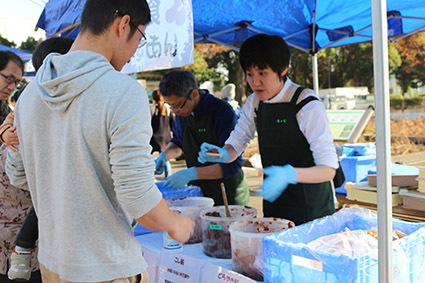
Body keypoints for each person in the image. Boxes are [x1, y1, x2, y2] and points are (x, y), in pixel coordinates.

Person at [6, 1, 195, 282]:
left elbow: (18, 174)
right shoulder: (123, 92)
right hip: (107, 266)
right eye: (140, 38)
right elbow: (138, 196)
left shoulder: (30, 95)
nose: (133, 53)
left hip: (53, 263)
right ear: (123, 25)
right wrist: (176, 224)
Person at [198, 34, 338, 225]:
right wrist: (222, 153)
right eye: (250, 74)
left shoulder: (306, 104)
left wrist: (290, 174)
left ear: (283, 70)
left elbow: (328, 169)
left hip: (312, 209)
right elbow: (237, 142)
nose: (255, 82)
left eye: (262, 73)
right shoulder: (254, 103)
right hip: (275, 205)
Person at [1, 37, 72, 282]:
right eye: (8, 78)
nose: (12, 85)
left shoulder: (20, 107)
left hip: (38, 236)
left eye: (17, 80)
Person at [154, 70, 249, 206]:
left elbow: (232, 166)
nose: (175, 111)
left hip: (227, 193)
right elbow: (177, 143)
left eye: (177, 106)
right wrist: (164, 156)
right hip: (198, 191)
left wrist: (191, 173)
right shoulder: (182, 114)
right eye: (171, 106)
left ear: (193, 94)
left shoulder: (222, 112)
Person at [150, 89, 173, 178]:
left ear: (153, 98)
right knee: (165, 158)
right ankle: (168, 178)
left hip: (154, 137)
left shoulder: (152, 108)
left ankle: (152, 178)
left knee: (150, 159)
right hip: (166, 137)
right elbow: (172, 124)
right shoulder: (167, 108)